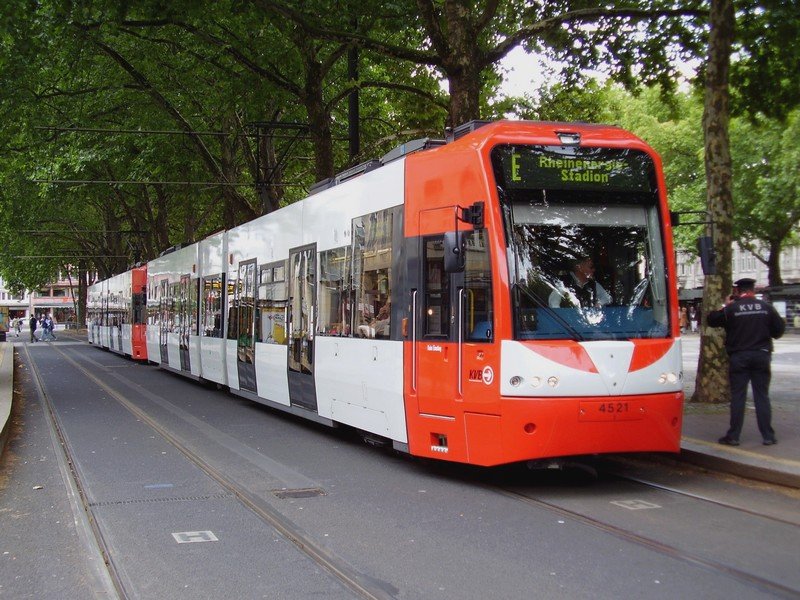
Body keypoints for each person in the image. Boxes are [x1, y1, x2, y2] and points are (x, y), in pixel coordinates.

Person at [707, 278, 785, 446]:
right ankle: (768, 436)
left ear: (737, 291)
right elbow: (779, 331)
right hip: (761, 355)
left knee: (738, 397)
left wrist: (725, 305)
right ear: (753, 289)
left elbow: (712, 319)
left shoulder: (732, 309)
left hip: (739, 357)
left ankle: (734, 436)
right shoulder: (766, 307)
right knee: (762, 396)